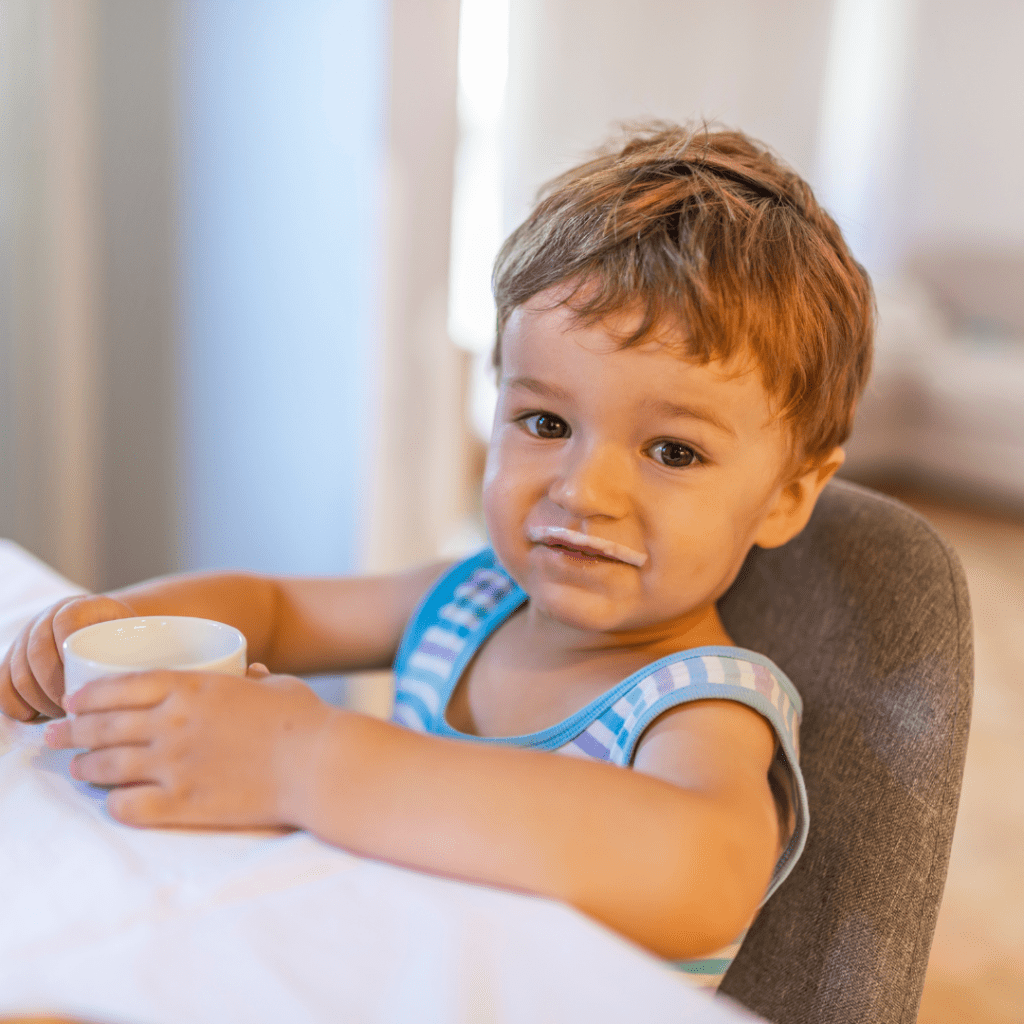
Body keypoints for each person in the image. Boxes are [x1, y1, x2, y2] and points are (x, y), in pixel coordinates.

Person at [0, 122, 873, 988]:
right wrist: (119, 626)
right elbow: (274, 608)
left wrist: (303, 763)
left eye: (673, 452)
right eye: (546, 423)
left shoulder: (701, 707)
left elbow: (703, 874)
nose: (581, 491)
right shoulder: (471, 601)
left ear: (790, 494)